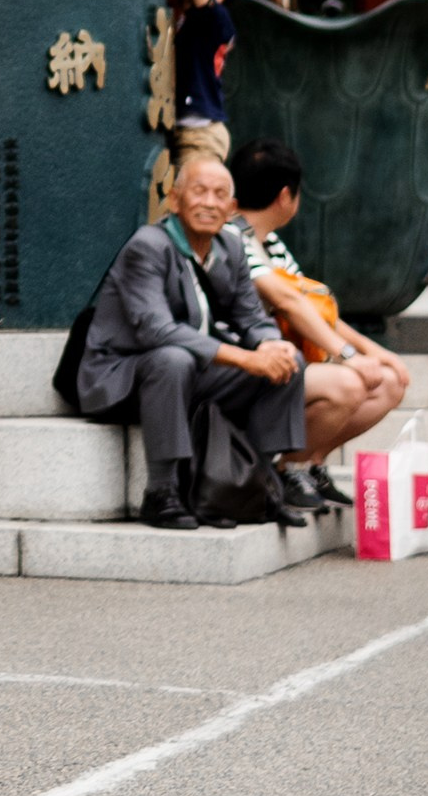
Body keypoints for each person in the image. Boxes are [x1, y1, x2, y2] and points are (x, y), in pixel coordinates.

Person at [78, 153, 304, 528]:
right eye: (199, 192)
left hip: (194, 370)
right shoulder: (148, 246)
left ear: (232, 209)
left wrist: (269, 345)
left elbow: (251, 316)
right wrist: (246, 359)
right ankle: (162, 492)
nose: (209, 202)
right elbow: (157, 331)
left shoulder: (231, 249)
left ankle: (258, 485)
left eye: (219, 195)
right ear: (175, 199)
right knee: (172, 359)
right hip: (124, 375)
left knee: (287, 361)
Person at [229, 137, 408, 503]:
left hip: (288, 363)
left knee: (390, 382)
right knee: (349, 384)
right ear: (285, 196)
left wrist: (376, 352)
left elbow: (313, 307)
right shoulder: (234, 238)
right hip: (251, 365)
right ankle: (283, 469)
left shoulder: (272, 243)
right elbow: (289, 302)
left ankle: (311, 463)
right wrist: (347, 356)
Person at [167, 0, 240, 170]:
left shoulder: (214, 19)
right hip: (188, 130)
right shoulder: (192, 21)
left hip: (200, 135)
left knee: (197, 206)